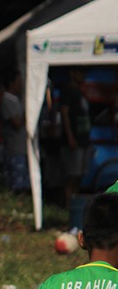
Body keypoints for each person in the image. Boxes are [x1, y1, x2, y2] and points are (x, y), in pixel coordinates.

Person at [60, 68, 92, 208]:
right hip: (73, 140)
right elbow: (64, 114)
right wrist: (70, 137)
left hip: (84, 140)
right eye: (81, 72)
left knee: (80, 176)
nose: (83, 75)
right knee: (72, 176)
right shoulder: (67, 91)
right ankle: (69, 207)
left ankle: (77, 206)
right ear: (73, 73)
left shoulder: (80, 91)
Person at [0, 70, 29, 192]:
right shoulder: (7, 100)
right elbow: (16, 123)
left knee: (24, 185)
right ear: (11, 83)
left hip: (21, 148)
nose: (21, 84)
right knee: (17, 187)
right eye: (18, 82)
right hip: (14, 150)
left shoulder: (16, 100)